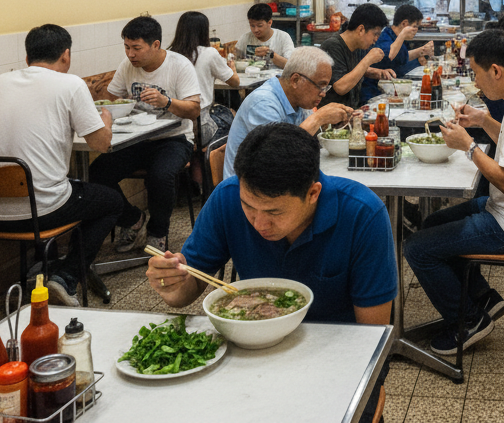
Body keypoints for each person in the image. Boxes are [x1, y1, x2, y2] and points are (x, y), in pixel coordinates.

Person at [146, 122, 395, 421]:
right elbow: (187, 289)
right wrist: (170, 283)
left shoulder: (363, 215)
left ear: (313, 193)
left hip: (335, 359)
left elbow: (370, 338)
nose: (259, 223)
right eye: (249, 207)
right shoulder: (227, 198)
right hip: (248, 353)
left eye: (274, 213)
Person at [405, 29, 504, 354]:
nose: (476, 83)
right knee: (432, 225)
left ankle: (468, 321)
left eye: (477, 73)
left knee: (417, 248)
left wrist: (468, 147)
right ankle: (483, 297)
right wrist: (482, 119)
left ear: (496, 70)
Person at [0, 24, 125, 306]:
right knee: (111, 201)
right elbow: (101, 145)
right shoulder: (70, 84)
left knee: (60, 185)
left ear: (26, 58)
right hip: (42, 210)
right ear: (66, 56)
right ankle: (67, 277)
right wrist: (105, 120)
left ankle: (44, 266)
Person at [89, 16, 202, 253]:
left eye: (136, 48)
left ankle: (158, 232)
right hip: (135, 139)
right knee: (97, 171)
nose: (131, 54)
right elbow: (110, 100)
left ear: (156, 45)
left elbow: (194, 110)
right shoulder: (127, 66)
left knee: (160, 175)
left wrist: (167, 101)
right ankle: (132, 219)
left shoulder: (179, 65)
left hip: (174, 138)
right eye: (127, 47)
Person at [221, 47, 354, 180]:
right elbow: (280, 156)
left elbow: (304, 138)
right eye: (320, 86)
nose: (323, 93)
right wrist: (319, 118)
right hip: (249, 189)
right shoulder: (263, 103)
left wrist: (334, 123)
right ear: (295, 80)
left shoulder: (298, 99)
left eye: (326, 87)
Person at [319, 3, 394, 109]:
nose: (376, 39)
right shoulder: (333, 46)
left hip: (351, 111)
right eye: (375, 34)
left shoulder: (360, 45)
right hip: (331, 118)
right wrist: (368, 59)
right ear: (361, 29)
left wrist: (374, 72)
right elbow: (340, 87)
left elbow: (350, 68)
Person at [360, 4, 434, 102]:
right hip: (374, 93)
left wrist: (422, 51)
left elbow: (402, 57)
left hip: (389, 89)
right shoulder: (386, 38)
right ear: (404, 24)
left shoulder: (395, 37)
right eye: (415, 27)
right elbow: (390, 55)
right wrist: (403, 35)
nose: (416, 31)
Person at [169, 10, 238, 110]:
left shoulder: (170, 53)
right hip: (200, 114)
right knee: (232, 112)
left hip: (174, 111)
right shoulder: (209, 53)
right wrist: (232, 67)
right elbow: (235, 82)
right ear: (204, 31)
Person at [233, 3, 295, 69]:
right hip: (250, 76)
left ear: (269, 23)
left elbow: (290, 66)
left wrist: (270, 55)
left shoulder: (283, 37)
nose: (255, 30)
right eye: (252, 26)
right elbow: (236, 57)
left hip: (275, 78)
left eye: (260, 26)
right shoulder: (245, 38)